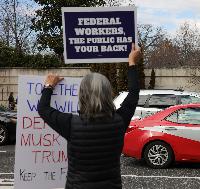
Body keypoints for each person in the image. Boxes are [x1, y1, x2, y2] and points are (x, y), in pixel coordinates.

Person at [37, 43, 141, 189]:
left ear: (82, 96)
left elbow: (43, 109)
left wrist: (48, 86)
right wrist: (132, 62)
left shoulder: (71, 124)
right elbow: (134, 93)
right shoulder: (119, 120)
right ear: (108, 94)